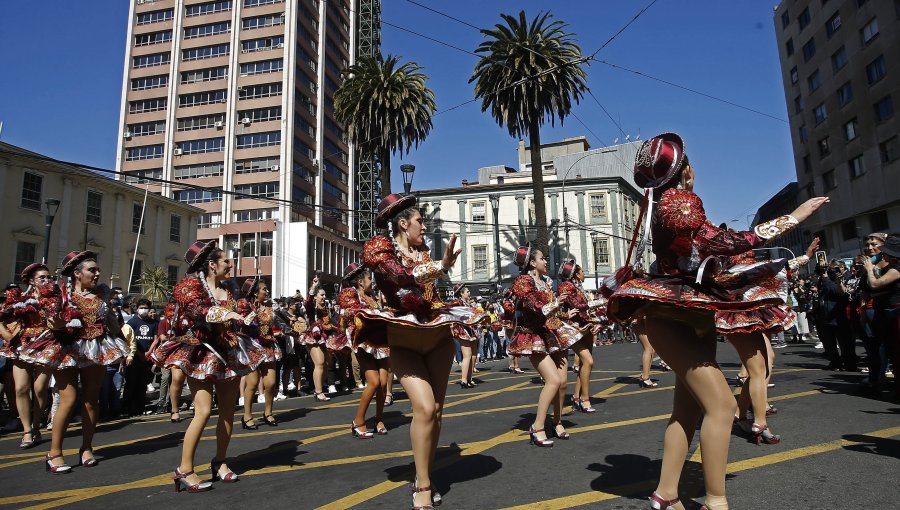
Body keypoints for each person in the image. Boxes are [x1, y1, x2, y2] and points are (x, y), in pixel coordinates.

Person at [606, 133, 827, 509]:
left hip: (687, 313)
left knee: (688, 410)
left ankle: (666, 494)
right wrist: (793, 218)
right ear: (686, 172)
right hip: (673, 313)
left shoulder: (662, 203)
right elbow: (722, 242)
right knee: (722, 408)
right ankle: (716, 502)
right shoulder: (679, 201)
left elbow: (707, 250)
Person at [357, 193, 486, 509]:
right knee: (425, 409)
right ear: (403, 223)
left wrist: (440, 267)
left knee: (437, 412)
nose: (425, 228)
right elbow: (398, 276)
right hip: (405, 343)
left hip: (438, 341)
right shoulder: (380, 250)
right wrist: (439, 266)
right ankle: (424, 484)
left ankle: (423, 473)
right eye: (420, 222)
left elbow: (428, 290)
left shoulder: (423, 252)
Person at [150, 240, 262, 492]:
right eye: (226, 262)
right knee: (202, 411)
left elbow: (239, 318)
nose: (231, 266)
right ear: (212, 265)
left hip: (230, 352)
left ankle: (220, 462)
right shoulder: (191, 287)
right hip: (202, 351)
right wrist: (226, 315)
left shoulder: (230, 290)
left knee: (227, 411)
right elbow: (198, 310)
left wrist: (244, 318)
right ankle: (184, 469)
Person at [45, 251, 130, 473]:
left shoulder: (103, 293)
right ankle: (54, 452)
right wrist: (56, 323)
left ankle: (86, 447)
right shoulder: (61, 295)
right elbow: (52, 323)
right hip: (68, 348)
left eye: (97, 269)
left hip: (97, 348)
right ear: (77, 273)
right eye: (92, 270)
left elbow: (110, 320)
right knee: (68, 398)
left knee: (92, 399)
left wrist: (123, 346)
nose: (97, 273)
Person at [508, 244, 582, 446]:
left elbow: (552, 311)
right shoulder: (523, 281)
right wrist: (556, 303)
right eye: (542, 259)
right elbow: (534, 307)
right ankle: (538, 426)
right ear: (532, 262)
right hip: (533, 336)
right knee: (553, 381)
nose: (546, 262)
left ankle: (557, 423)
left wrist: (566, 314)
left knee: (563, 382)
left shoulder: (546, 283)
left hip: (551, 334)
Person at [0, 264, 55, 449]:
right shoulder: (21, 300)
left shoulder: (56, 300)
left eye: (49, 277)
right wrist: (8, 334)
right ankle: (26, 430)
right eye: (42, 278)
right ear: (31, 281)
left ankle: (37, 425)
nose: (47, 281)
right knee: (21, 388)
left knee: (40, 388)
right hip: (22, 345)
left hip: (47, 344)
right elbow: (3, 317)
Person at [339, 262, 390, 438]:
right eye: (369, 278)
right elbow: (348, 313)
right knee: (374, 382)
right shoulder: (350, 294)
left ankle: (379, 419)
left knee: (383, 383)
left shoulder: (373, 297)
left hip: (381, 343)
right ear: (360, 281)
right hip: (364, 343)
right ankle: (358, 421)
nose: (372, 281)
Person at [557, 259, 606, 413]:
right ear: (576, 274)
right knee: (588, 362)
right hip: (573, 329)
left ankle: (577, 396)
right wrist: (599, 302)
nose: (584, 273)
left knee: (586, 364)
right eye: (582, 271)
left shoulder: (579, 287)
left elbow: (583, 307)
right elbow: (576, 305)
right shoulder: (566, 286)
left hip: (585, 327)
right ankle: (585, 399)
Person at [239, 279, 282, 429]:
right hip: (251, 347)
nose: (267, 292)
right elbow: (243, 323)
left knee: (270, 383)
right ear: (256, 293)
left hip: (269, 346)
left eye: (267, 289)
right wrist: (255, 311)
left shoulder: (271, 307)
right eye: (264, 289)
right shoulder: (246, 306)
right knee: (252, 383)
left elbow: (277, 325)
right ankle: (247, 416)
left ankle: (268, 412)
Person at [862, 233, 900, 401]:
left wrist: (870, 270)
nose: (871, 248)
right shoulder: (891, 264)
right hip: (887, 312)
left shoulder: (896, 267)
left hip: (895, 311)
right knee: (892, 351)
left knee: (895, 351)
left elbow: (875, 284)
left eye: (875, 245)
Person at [301, 277, 335, 401]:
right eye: (321, 295)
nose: (324, 297)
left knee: (326, 365)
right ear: (316, 296)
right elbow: (308, 301)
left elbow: (329, 323)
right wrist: (314, 287)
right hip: (313, 338)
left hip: (324, 338)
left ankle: (320, 387)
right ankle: (318, 391)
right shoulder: (311, 307)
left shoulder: (326, 309)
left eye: (325, 295)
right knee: (319, 363)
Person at [123, 299, 158, 417]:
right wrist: (140, 354)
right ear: (137, 308)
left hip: (147, 359)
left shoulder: (153, 323)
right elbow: (129, 341)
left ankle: (140, 408)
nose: (144, 310)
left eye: (146, 308)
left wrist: (148, 353)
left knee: (142, 385)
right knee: (131, 383)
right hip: (134, 358)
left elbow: (156, 339)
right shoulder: (132, 322)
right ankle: (128, 407)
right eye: (141, 307)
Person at [449, 284, 479, 388]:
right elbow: (453, 313)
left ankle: (469, 379)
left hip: (470, 329)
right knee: (467, 355)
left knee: (472, 355)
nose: (469, 293)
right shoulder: (457, 302)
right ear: (461, 293)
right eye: (467, 292)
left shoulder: (467, 303)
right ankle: (464, 380)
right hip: (463, 329)